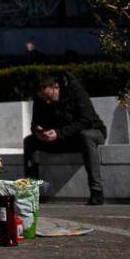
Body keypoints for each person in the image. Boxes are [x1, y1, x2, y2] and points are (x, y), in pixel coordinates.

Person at [24, 72, 107, 205]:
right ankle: (32, 193)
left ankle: (97, 191)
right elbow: (35, 124)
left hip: (90, 133)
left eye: (49, 97)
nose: (47, 101)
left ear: (56, 87)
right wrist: (39, 132)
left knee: (85, 136)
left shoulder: (76, 91)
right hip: (60, 138)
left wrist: (60, 133)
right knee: (30, 141)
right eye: (43, 98)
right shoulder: (41, 97)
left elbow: (86, 121)